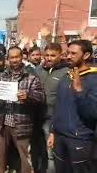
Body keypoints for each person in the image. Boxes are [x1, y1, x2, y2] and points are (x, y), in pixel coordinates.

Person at [0, 46, 45, 173]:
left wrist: (28, 97)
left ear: (22, 57)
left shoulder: (31, 77)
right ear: (8, 59)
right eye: (12, 57)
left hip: (21, 125)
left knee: (25, 159)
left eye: (17, 57)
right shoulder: (2, 76)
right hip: (2, 124)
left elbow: (40, 98)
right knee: (0, 157)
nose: (14, 60)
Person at [47, 40, 97, 173]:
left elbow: (93, 113)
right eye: (68, 53)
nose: (68, 56)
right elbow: (58, 106)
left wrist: (79, 91)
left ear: (86, 55)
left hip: (81, 140)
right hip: (60, 138)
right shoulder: (66, 76)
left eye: (73, 53)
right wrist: (52, 131)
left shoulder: (94, 79)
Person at [35, 43, 69, 173]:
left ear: (61, 55)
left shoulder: (67, 72)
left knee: (51, 153)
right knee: (37, 149)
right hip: (36, 116)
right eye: (47, 55)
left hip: (53, 119)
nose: (49, 58)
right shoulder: (38, 69)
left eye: (53, 55)